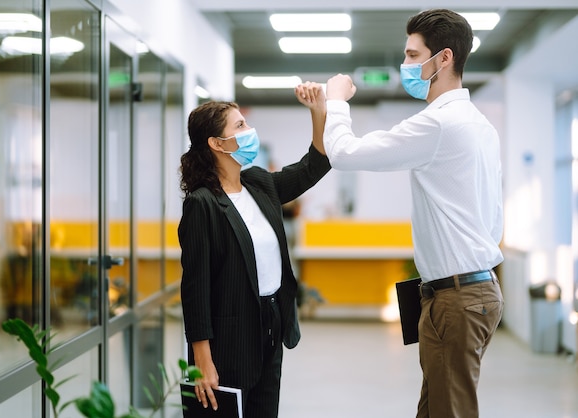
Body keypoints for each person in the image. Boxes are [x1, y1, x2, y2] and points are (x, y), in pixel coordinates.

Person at [298, 8, 504, 418]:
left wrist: (337, 100)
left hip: (456, 298)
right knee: (434, 410)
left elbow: (345, 153)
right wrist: (321, 113)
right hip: (465, 291)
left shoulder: (440, 124)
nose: (405, 65)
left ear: (443, 58)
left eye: (412, 56)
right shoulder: (477, 125)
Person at [178, 85, 330, 418]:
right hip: (228, 334)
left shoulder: (259, 183)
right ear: (218, 144)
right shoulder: (202, 204)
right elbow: (195, 289)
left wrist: (318, 112)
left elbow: (311, 167)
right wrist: (202, 361)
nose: (249, 132)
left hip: (271, 321)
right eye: (240, 126)